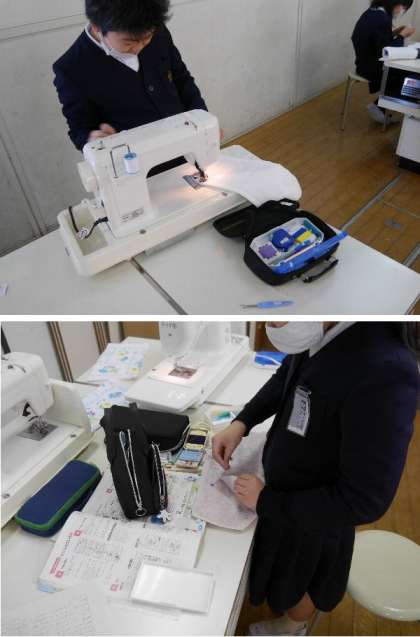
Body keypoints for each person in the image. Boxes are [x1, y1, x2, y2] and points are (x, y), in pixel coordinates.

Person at [212, 322, 419, 636]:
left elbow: (364, 500)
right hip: (287, 494)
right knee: (283, 573)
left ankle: (293, 626)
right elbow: (288, 375)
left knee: (303, 582)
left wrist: (267, 501)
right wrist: (242, 421)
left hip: (316, 512)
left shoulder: (387, 371)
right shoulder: (322, 332)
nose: (277, 326)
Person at [53, 0, 207, 171]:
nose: (139, 47)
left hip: (186, 145)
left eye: (146, 39)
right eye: (128, 43)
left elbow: (182, 79)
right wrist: (91, 140)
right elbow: (79, 128)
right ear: (97, 27)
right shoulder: (71, 69)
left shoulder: (156, 29)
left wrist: (204, 120)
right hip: (137, 165)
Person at [352, 0, 416, 124]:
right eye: (403, 6)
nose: (402, 10)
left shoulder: (372, 12)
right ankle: (379, 108)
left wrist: (396, 33)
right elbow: (387, 51)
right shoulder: (382, 18)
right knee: (411, 75)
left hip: (363, 64)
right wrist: (402, 36)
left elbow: (378, 41)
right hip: (373, 69)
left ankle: (384, 106)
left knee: (407, 71)